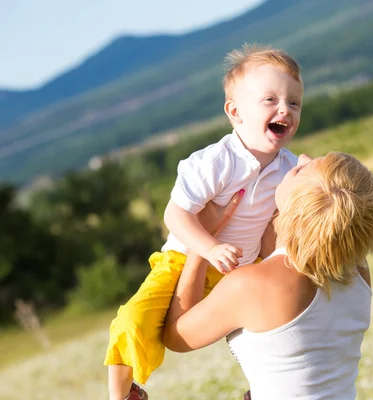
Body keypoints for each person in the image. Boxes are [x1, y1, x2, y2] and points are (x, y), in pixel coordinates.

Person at [104, 44, 303, 400]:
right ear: (234, 111)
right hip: (183, 260)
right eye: (270, 100)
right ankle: (123, 395)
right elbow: (175, 214)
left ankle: (266, 388)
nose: (284, 110)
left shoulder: (287, 167)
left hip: (244, 268)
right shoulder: (216, 162)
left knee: (273, 328)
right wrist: (210, 247)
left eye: (294, 103)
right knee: (132, 320)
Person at [163, 152, 373, 399]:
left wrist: (202, 241)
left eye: (301, 170)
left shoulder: (251, 286)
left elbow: (177, 336)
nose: (301, 157)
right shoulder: (357, 270)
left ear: (294, 205)